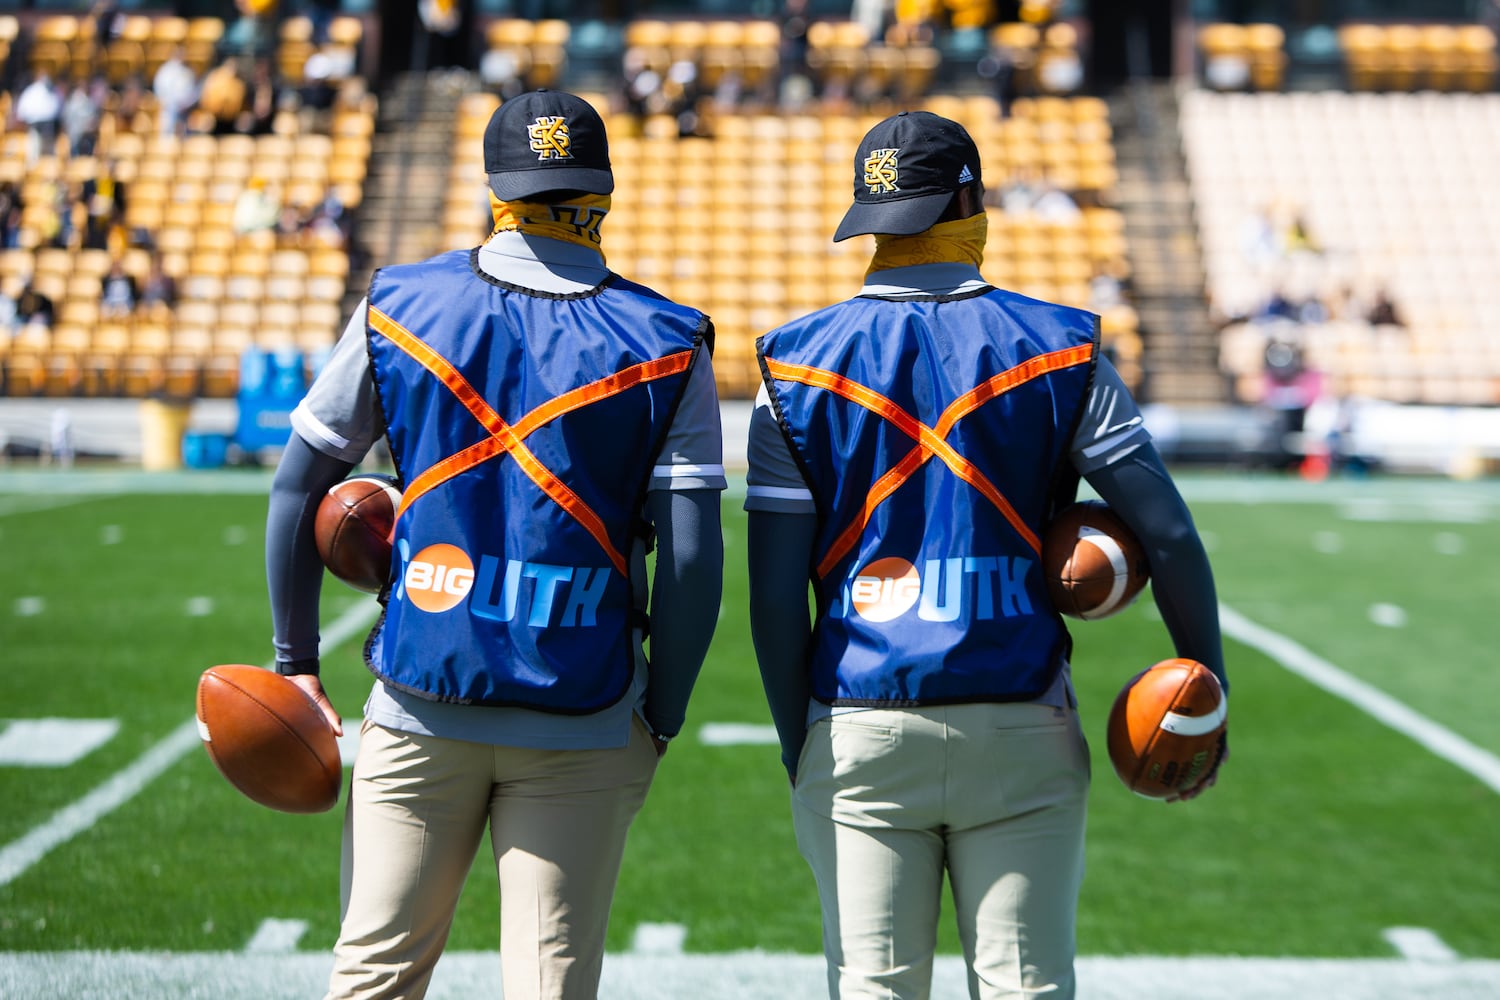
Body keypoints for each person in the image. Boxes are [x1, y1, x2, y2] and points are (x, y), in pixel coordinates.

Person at [746, 110, 1228, 1000]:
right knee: (1027, 987)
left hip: (856, 719)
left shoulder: (789, 362)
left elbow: (775, 599)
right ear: (970, 201)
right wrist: (1209, 682)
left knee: (874, 988)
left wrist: (800, 740)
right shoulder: (1067, 346)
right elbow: (1167, 534)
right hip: (1018, 715)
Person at [264, 89, 725, 1000]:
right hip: (581, 709)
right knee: (550, 985)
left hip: (421, 694)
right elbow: (692, 560)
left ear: (494, 186)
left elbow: (296, 490)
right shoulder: (673, 337)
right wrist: (660, 715)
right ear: (604, 190)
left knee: (373, 973)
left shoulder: (399, 300)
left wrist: (296, 663)